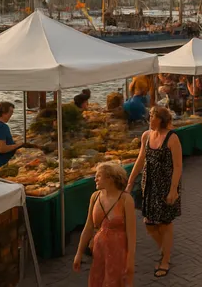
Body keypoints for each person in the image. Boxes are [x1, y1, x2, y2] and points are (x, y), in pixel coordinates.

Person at [126, 107, 182, 278]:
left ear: (161, 119)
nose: (149, 118)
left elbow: (178, 166)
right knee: (149, 223)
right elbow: (140, 158)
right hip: (149, 184)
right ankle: (166, 250)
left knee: (165, 223)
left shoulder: (172, 139)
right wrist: (130, 182)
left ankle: (165, 260)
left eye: (152, 116)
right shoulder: (146, 135)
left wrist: (173, 190)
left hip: (166, 185)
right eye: (149, 115)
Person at [74, 162, 136, 286]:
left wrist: (130, 260)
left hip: (118, 249)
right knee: (98, 280)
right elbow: (88, 227)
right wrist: (79, 253)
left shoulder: (125, 200)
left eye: (99, 176)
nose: (95, 179)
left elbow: (131, 233)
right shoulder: (95, 197)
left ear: (110, 178)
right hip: (99, 249)